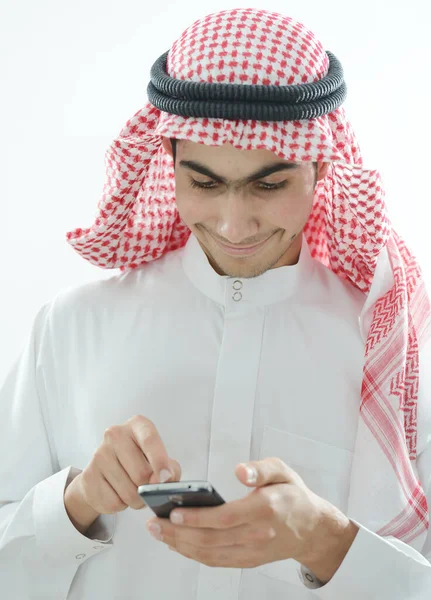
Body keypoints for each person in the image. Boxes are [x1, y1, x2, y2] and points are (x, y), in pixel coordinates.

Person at [1, 7, 430, 600]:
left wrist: (326, 540)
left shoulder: (394, 353)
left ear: (322, 163)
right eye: (204, 183)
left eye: (269, 183)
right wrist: (76, 503)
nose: (234, 223)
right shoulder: (72, 329)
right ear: (168, 161)